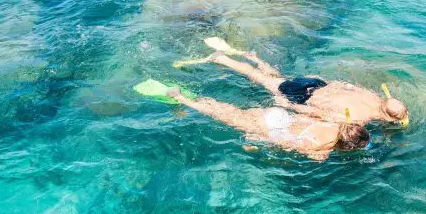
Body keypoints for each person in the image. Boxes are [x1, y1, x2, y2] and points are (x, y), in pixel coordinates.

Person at [183, 38, 410, 127]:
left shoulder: (372, 95)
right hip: (305, 95)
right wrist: (288, 106)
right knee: (264, 81)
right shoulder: (360, 118)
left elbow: (342, 84)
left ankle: (254, 58)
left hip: (317, 83)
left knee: (276, 79)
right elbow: (319, 115)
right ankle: (221, 59)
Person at [134, 79, 370, 161]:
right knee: (221, 115)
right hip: (271, 127)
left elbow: (306, 112)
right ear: (347, 146)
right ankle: (182, 100)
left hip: (279, 115)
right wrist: (258, 140)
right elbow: (288, 144)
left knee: (228, 110)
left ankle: (193, 99)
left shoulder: (336, 121)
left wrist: (284, 104)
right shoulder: (322, 150)